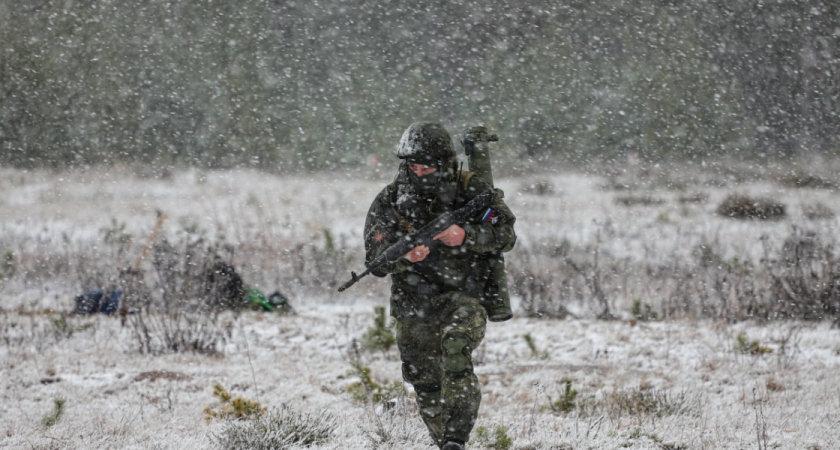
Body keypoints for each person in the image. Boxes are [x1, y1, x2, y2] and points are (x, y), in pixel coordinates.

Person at [363, 123, 517, 450]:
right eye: (413, 166)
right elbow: (375, 259)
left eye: (426, 166)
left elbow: (506, 235)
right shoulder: (390, 200)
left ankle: (456, 438)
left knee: (456, 352)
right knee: (424, 380)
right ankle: (443, 440)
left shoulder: (471, 190)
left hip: (464, 294)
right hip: (412, 301)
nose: (419, 173)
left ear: (443, 162)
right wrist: (405, 256)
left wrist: (468, 235)